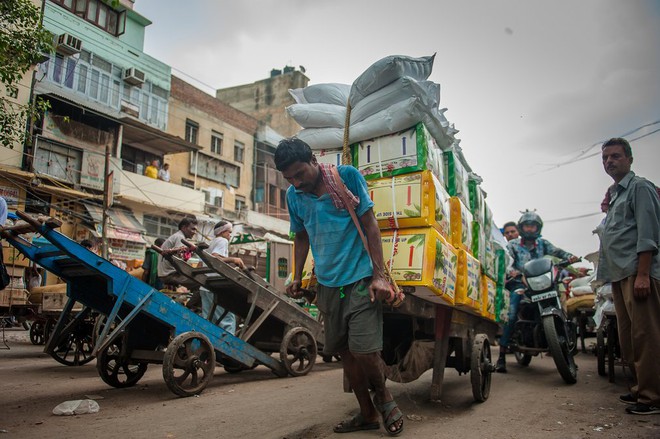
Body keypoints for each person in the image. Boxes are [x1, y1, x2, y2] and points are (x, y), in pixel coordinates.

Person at [275, 138, 404, 436]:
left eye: (299, 174)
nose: (296, 182)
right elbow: (301, 236)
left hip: (360, 278)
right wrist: (297, 276)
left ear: (313, 161)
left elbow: (370, 223)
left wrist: (378, 276)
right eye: (289, 178)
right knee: (345, 354)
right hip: (328, 284)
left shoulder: (345, 176)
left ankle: (383, 396)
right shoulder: (294, 196)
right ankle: (367, 414)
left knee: (365, 351)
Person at [597, 137, 660, 415]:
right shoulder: (615, 196)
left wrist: (644, 275)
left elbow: (648, 234)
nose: (610, 161)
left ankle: (652, 397)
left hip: (638, 273)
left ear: (629, 159)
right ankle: (638, 390)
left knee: (646, 336)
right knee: (629, 338)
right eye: (605, 158)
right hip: (620, 275)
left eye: (615, 156)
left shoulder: (640, 188)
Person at [495, 210, 579, 373]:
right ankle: (502, 355)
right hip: (521, 284)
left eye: (533, 226)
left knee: (562, 312)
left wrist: (571, 257)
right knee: (511, 314)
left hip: (545, 284)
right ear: (521, 228)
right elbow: (507, 262)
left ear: (538, 228)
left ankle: (568, 354)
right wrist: (511, 271)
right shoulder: (512, 245)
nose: (530, 229)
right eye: (527, 226)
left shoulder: (543, 243)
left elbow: (559, 252)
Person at [199, 220, 245, 334]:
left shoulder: (211, 243)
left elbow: (204, 263)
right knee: (227, 320)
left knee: (209, 320)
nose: (230, 235)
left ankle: (208, 344)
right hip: (217, 286)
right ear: (223, 232)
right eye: (229, 232)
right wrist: (234, 259)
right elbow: (216, 257)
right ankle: (228, 348)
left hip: (205, 287)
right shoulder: (222, 241)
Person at [158, 217, 201, 303]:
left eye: (196, 230)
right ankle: (191, 307)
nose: (194, 232)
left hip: (167, 273)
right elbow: (179, 259)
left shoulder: (177, 236)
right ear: (184, 228)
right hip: (170, 274)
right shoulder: (180, 238)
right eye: (192, 229)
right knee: (201, 286)